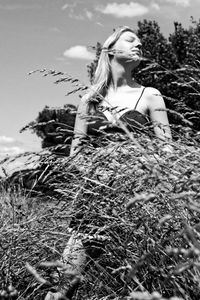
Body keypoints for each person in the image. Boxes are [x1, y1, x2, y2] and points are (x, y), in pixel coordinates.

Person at [70, 25, 172, 156]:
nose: (139, 45)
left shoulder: (150, 95)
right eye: (130, 40)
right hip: (94, 176)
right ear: (111, 50)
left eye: (140, 44)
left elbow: (167, 149)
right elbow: (75, 154)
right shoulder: (89, 100)